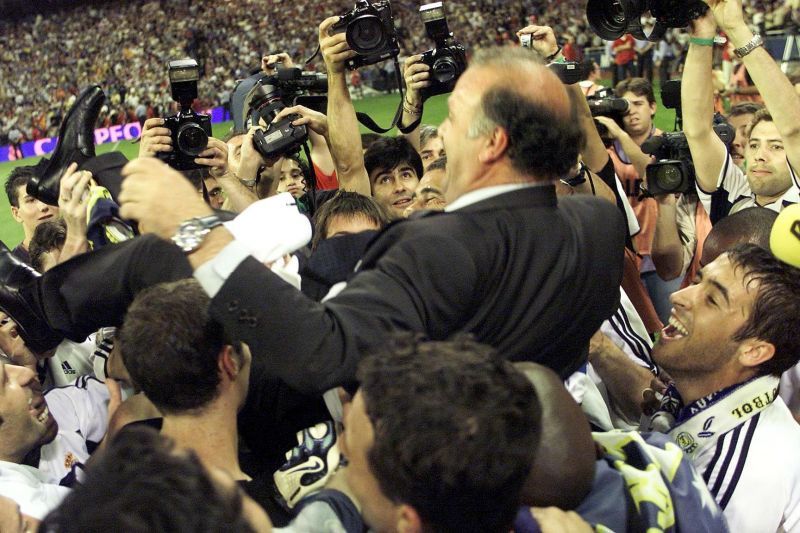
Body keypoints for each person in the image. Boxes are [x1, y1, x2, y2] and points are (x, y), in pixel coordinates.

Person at [647, 244, 800, 531]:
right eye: (696, 281)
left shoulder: (749, 470)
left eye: (712, 300)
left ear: (753, 351)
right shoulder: (699, 395)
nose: (678, 296)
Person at [683, 0, 799, 220]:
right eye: (754, 145)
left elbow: (794, 128)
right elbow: (698, 131)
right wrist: (702, 34)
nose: (760, 156)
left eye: (776, 146)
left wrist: (737, 28)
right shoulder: (736, 193)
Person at [3, 165, 59, 263]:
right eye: (31, 200)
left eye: (46, 195)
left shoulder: (87, 245)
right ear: (17, 214)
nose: (43, 206)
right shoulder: (14, 269)